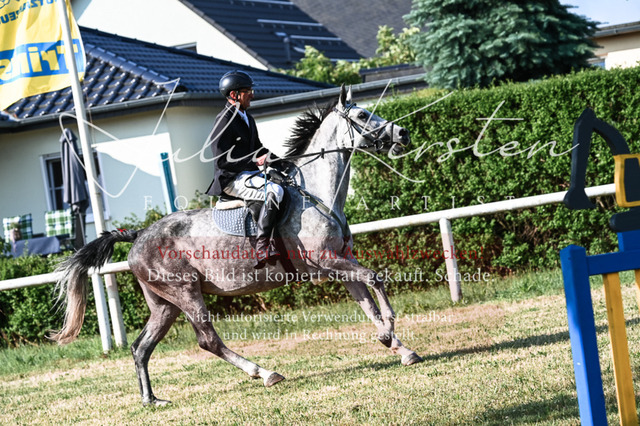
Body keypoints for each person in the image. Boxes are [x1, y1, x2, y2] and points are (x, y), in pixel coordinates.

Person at [205, 70, 284, 269]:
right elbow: (222, 160)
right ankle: (262, 247)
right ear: (234, 95)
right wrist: (255, 161)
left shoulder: (247, 117)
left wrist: (283, 163)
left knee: (285, 182)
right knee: (274, 191)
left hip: (249, 174)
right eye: (248, 91)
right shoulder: (223, 120)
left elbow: (258, 149)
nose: (252, 95)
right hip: (231, 179)